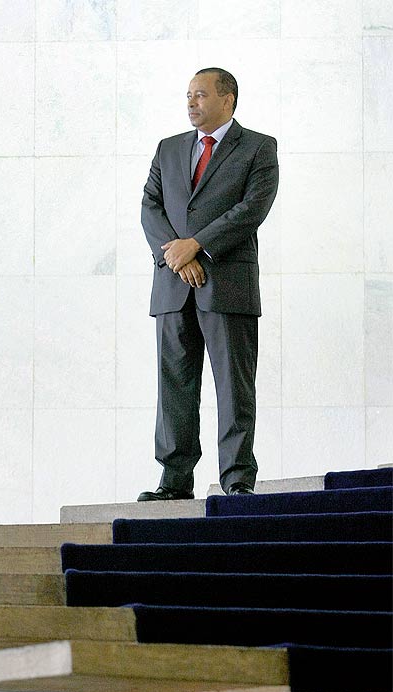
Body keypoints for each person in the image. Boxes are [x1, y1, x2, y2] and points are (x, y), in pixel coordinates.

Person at [138, 68, 279, 501]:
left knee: (234, 387)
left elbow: (252, 208)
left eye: (199, 95)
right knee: (174, 387)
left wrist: (197, 245)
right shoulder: (169, 149)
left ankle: (237, 479)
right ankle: (175, 481)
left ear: (228, 99)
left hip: (228, 285)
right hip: (173, 286)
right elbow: (150, 206)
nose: (191, 103)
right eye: (187, 96)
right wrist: (176, 256)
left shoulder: (258, 147)